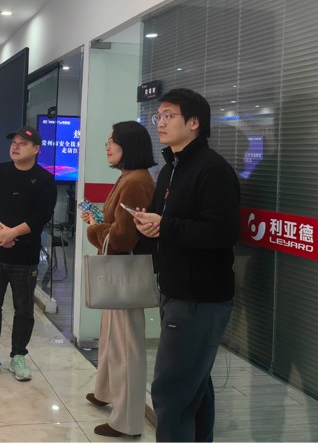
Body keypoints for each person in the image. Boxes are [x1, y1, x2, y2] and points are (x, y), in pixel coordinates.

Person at [133, 88, 240, 442]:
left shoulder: (213, 170)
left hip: (200, 297)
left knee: (171, 393)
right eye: (158, 116)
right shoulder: (170, 169)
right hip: (174, 288)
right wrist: (148, 224)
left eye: (169, 116)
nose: (160, 123)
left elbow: (222, 233)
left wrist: (165, 225)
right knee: (194, 389)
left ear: (194, 123)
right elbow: (164, 221)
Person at [81, 120, 156, 438]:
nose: (108, 146)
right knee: (112, 338)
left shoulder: (136, 181)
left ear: (130, 146)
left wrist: (93, 229)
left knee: (127, 348)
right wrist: (100, 222)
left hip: (125, 271)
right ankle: (106, 392)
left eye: (113, 141)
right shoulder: (128, 177)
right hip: (118, 270)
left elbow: (123, 237)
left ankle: (127, 421)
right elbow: (117, 224)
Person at [0, 125, 57, 382]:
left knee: (24, 309)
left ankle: (18, 356)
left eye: (23, 143)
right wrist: (0, 232)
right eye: (14, 142)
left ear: (36, 149)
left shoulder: (44, 180)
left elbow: (41, 216)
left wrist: (13, 233)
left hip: (25, 256)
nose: (15, 146)